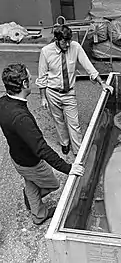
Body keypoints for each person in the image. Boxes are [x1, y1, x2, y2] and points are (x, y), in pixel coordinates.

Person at [0, 63, 85, 225]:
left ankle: (37, 212)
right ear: (24, 84)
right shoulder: (21, 118)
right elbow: (41, 149)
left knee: (30, 181)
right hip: (31, 163)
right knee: (53, 184)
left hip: (17, 158)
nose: (33, 80)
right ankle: (35, 204)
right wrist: (68, 168)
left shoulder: (3, 102)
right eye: (30, 78)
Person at [36, 24, 113, 156]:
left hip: (69, 92)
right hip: (52, 92)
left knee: (74, 123)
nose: (67, 45)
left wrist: (102, 83)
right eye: (64, 42)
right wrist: (43, 97)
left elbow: (88, 66)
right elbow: (42, 76)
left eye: (68, 41)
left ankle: (79, 153)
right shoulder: (46, 51)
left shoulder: (75, 47)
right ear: (56, 40)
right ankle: (64, 143)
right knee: (58, 120)